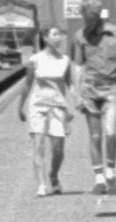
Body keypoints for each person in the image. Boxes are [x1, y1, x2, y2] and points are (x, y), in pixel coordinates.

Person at [20, 20, 77, 195]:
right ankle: (42, 184)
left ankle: (53, 174)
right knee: (38, 145)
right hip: (38, 106)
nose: (58, 38)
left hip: (58, 107)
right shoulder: (35, 60)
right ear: (45, 38)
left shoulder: (65, 60)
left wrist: (76, 102)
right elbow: (27, 84)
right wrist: (20, 106)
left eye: (59, 34)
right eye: (54, 34)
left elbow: (71, 85)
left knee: (58, 148)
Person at [79, 5, 116, 193]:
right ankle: (99, 178)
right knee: (95, 136)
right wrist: (76, 95)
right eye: (84, 21)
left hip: (110, 88)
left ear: (97, 18)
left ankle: (111, 173)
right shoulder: (80, 36)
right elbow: (77, 67)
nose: (87, 25)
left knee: (110, 133)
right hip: (90, 90)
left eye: (89, 21)